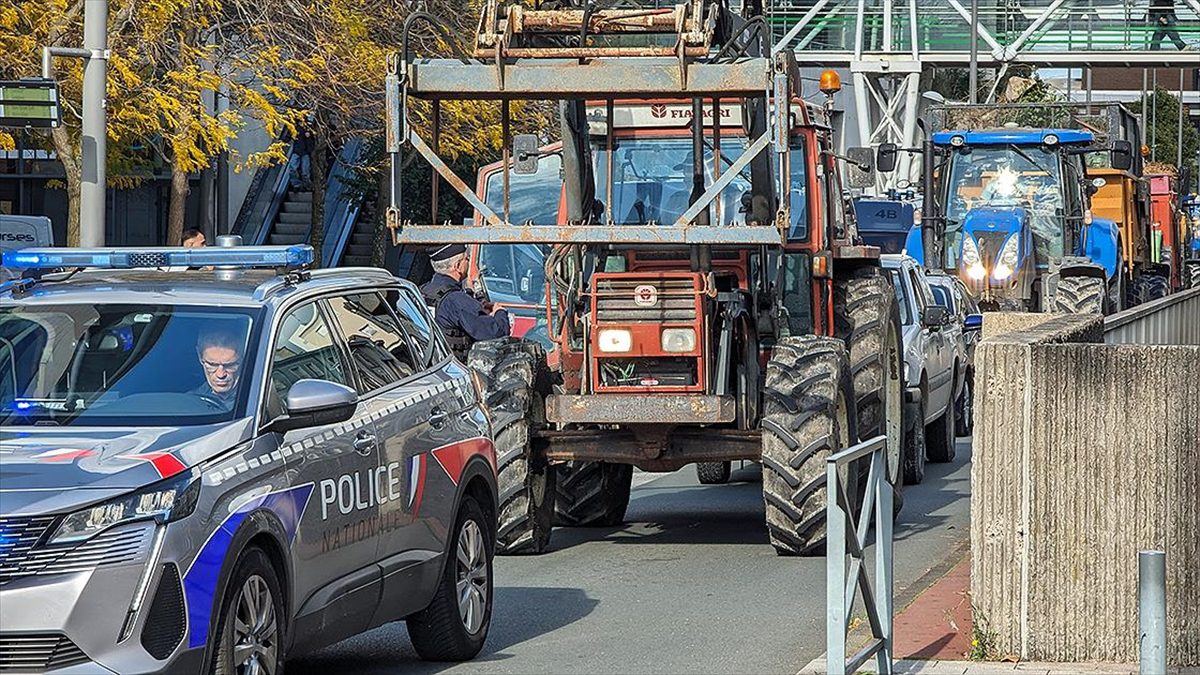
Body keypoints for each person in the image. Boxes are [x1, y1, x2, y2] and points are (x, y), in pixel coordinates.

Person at [420, 243, 510, 358]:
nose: (468, 262)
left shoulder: (423, 291)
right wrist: (499, 312)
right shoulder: (458, 301)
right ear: (457, 266)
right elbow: (495, 333)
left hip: (429, 364)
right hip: (454, 369)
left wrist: (475, 303)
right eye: (466, 259)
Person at [193, 330, 244, 409]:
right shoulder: (189, 402)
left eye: (230, 365)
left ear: (243, 357)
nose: (220, 374)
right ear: (199, 356)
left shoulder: (261, 398)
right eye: (212, 365)